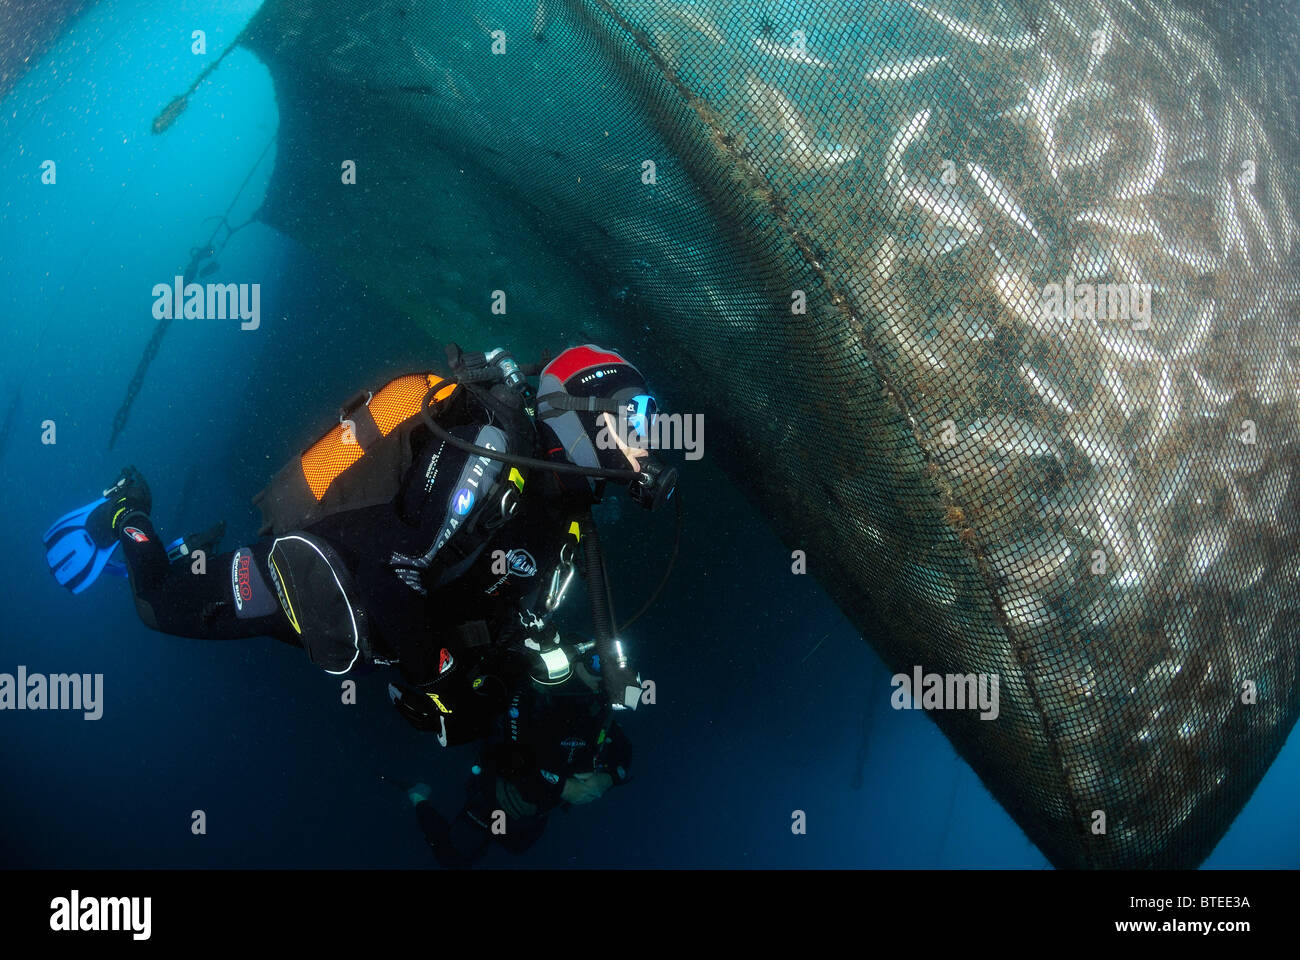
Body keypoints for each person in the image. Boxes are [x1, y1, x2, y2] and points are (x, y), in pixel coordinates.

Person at [44, 344, 676, 807]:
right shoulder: (488, 455)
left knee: (471, 711)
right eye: (635, 418)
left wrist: (530, 665)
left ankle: (191, 554)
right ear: (583, 415)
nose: (646, 441)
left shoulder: (558, 511)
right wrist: (443, 678)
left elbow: (500, 603)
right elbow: (382, 569)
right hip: (301, 578)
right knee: (157, 606)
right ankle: (129, 509)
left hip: (353, 621)